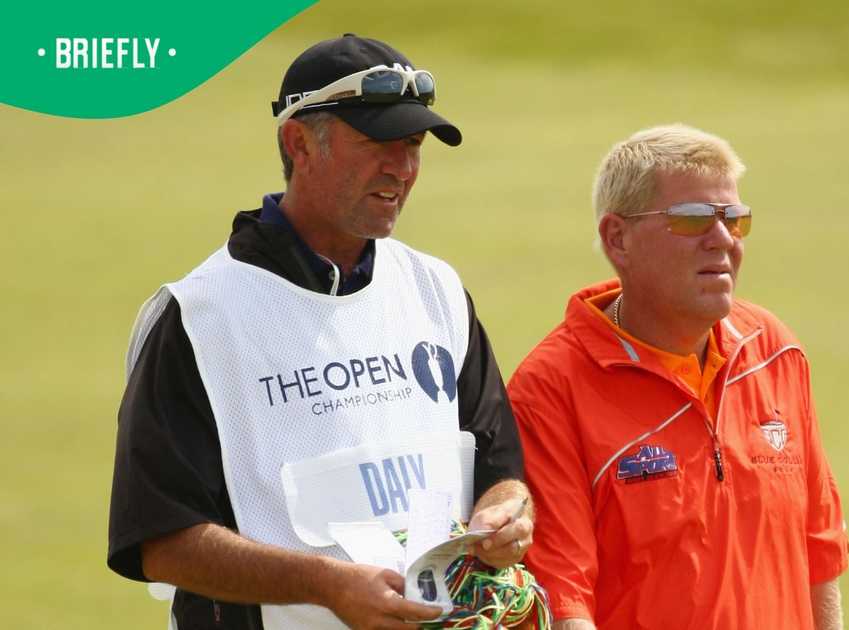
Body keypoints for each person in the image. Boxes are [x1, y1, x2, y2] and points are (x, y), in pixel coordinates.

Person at [107, 35, 534, 630]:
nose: (403, 169)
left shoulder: (436, 290)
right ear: (299, 142)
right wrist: (327, 586)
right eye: (378, 144)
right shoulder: (197, 317)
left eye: (413, 145)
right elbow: (162, 541)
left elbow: (499, 468)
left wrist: (506, 514)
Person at [507, 124, 849, 629]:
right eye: (692, 220)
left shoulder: (773, 350)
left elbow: (818, 553)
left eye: (735, 219)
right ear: (617, 238)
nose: (722, 239)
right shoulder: (549, 390)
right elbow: (565, 602)